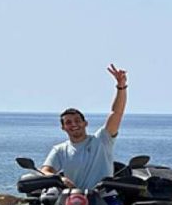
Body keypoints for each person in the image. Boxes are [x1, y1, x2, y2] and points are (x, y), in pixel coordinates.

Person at [41, 64, 128, 194]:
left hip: (104, 198)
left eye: (77, 120)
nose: (74, 124)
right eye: (68, 122)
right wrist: (60, 178)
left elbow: (116, 113)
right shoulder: (60, 150)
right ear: (63, 127)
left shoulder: (102, 139)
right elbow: (45, 171)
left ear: (85, 123)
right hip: (74, 199)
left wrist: (121, 86)